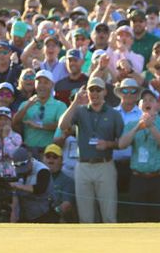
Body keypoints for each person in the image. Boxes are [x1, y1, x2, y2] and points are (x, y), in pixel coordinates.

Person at [58, 77, 124, 223]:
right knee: (85, 217)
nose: (94, 93)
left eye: (98, 90)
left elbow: (122, 143)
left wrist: (108, 144)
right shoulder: (80, 111)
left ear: (105, 92)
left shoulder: (113, 114)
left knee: (108, 215)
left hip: (105, 165)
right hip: (83, 165)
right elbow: (62, 125)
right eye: (91, 90)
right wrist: (75, 102)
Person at [118, 88, 160, 222]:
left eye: (151, 100)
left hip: (159, 178)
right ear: (139, 105)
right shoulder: (132, 125)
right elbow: (122, 145)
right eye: (144, 100)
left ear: (158, 105)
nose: (147, 102)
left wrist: (151, 127)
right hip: (138, 179)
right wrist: (138, 127)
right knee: (138, 219)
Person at [13, 69, 66, 155]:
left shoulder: (60, 105)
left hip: (49, 153)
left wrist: (40, 126)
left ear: (52, 85)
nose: (42, 86)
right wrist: (27, 105)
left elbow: (61, 127)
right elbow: (15, 123)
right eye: (39, 82)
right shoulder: (26, 104)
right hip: (29, 151)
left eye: (46, 82)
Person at [6, 146, 55, 223]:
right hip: (25, 214)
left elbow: (40, 189)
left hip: (43, 215)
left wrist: (19, 186)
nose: (23, 171)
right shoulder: (18, 172)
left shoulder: (43, 171)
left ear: (29, 160)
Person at [44, 143, 76, 222]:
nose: (51, 160)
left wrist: (53, 213)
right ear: (43, 159)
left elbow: (66, 206)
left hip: (57, 218)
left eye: (55, 157)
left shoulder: (68, 181)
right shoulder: (37, 177)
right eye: (48, 157)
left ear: (61, 160)